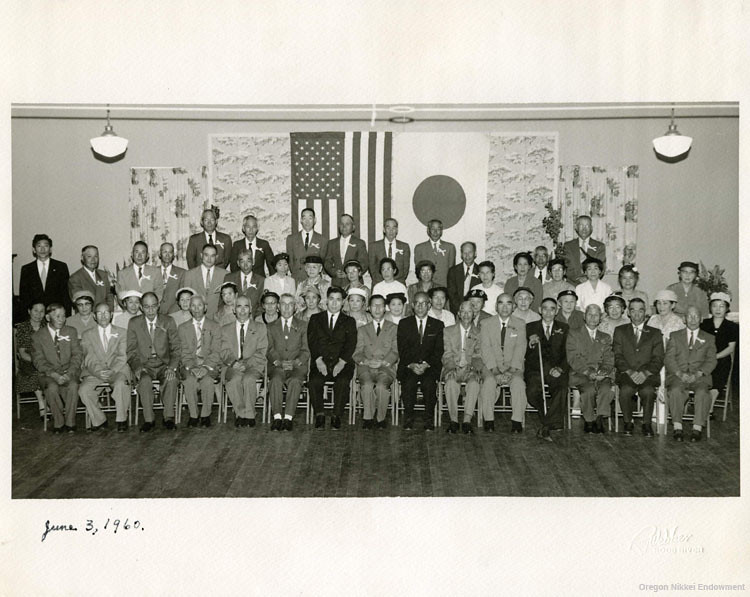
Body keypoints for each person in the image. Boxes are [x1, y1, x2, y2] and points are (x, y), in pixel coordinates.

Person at [209, 295, 268, 427]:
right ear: (234, 310)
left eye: (246, 306)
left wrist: (246, 364)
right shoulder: (225, 329)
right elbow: (223, 351)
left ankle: (250, 414)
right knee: (234, 380)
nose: (242, 310)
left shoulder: (260, 327)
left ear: (251, 309)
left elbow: (262, 351)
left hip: (253, 365)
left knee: (249, 379)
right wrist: (234, 363)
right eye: (239, 306)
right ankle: (241, 413)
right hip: (232, 365)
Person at [126, 292, 180, 432]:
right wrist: (138, 369)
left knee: (171, 379)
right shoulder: (134, 323)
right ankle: (149, 420)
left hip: (164, 364)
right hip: (145, 365)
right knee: (144, 381)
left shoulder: (168, 321)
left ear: (159, 306)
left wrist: (172, 367)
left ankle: (168, 417)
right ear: (141, 308)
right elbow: (131, 351)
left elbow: (176, 349)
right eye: (146, 307)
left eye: (153, 306)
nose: (150, 310)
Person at [307, 287, 358, 429]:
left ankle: (337, 415)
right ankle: (320, 414)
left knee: (342, 381)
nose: (334, 303)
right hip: (320, 361)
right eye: (331, 299)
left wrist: (341, 363)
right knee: (314, 381)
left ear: (343, 303)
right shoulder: (315, 319)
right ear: (326, 300)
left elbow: (351, 344)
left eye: (338, 300)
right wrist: (318, 361)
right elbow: (312, 342)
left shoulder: (349, 321)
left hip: (341, 362)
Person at [613, 297, 664, 437]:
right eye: (633, 310)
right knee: (625, 391)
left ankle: (646, 424)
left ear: (645, 313)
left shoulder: (655, 333)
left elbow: (658, 358)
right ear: (628, 313)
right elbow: (617, 356)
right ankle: (628, 422)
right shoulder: (620, 331)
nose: (636, 314)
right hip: (626, 373)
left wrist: (645, 373)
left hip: (648, 374)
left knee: (647, 391)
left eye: (640, 311)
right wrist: (629, 371)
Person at [665, 306, 717, 442]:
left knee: (702, 393)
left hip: (700, 377)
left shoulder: (709, 338)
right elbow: (669, 358)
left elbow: (712, 360)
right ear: (684, 319)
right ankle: (677, 426)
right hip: (678, 375)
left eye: (696, 316)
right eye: (689, 316)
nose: (693, 319)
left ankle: (697, 428)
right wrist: (679, 373)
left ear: (701, 319)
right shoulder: (675, 336)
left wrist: (698, 374)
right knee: (675, 390)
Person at [78, 302, 130, 432]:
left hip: (117, 369)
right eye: (99, 313)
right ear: (94, 316)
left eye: (106, 312)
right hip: (95, 371)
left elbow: (122, 356)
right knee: (84, 390)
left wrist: (112, 370)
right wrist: (98, 372)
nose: (103, 316)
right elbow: (89, 357)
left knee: (121, 385)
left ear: (111, 315)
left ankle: (122, 419)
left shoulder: (122, 332)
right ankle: (99, 420)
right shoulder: (87, 335)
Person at [479, 293, 527, 433]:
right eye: (501, 303)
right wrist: (495, 371)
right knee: (488, 382)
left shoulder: (520, 324)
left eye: (509, 303)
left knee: (518, 383)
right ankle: (488, 419)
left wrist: (511, 371)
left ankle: (517, 420)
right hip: (492, 366)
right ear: (496, 306)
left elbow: (520, 348)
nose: (505, 307)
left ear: (513, 307)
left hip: (513, 366)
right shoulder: (486, 323)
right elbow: (485, 349)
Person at [397, 291, 444, 430]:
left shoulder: (438, 325)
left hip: (429, 366)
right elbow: (402, 348)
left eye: (424, 303)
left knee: (429, 384)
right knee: (409, 383)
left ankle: (429, 418)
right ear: (412, 305)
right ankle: (409, 417)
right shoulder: (404, 323)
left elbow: (438, 350)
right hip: (409, 365)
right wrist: (411, 364)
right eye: (417, 303)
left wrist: (426, 364)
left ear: (429, 305)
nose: (420, 306)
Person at [32, 303, 83, 432]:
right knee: (52, 388)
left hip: (69, 372)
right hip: (48, 374)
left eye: (64, 316)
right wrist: (54, 374)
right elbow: (38, 361)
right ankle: (59, 422)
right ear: (48, 317)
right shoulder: (38, 336)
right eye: (57, 316)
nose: (62, 319)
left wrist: (69, 373)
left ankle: (70, 422)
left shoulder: (71, 331)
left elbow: (77, 355)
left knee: (73, 386)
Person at [524, 297, 569, 439]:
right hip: (536, 370)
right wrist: (530, 344)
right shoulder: (529, 327)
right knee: (532, 392)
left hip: (557, 370)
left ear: (557, 311)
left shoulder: (564, 328)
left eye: (552, 309)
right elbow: (524, 352)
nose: (548, 312)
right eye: (545, 308)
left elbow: (569, 353)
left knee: (562, 388)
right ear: (539, 310)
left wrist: (560, 369)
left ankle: (545, 424)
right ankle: (550, 421)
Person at [566, 304, 615, 433]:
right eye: (590, 314)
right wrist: (589, 372)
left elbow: (609, 358)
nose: (593, 318)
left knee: (606, 389)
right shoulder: (573, 334)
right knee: (588, 390)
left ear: (600, 318)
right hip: (581, 373)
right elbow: (573, 358)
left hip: (601, 374)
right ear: (584, 316)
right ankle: (588, 420)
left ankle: (599, 418)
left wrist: (603, 372)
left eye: (596, 315)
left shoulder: (605, 337)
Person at [353, 294, 398, 429]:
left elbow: (396, 351)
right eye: (374, 305)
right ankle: (367, 418)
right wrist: (366, 361)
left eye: (380, 305)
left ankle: (381, 418)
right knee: (366, 385)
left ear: (385, 308)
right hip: (366, 366)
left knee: (380, 386)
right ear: (368, 308)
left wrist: (383, 362)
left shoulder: (393, 328)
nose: (377, 309)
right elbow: (357, 353)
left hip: (385, 367)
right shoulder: (362, 329)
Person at [266, 293, 310, 430]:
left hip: (297, 366)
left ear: (295, 307)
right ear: (278, 307)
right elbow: (269, 349)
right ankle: (277, 417)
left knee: (295, 381)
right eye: (283, 304)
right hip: (277, 366)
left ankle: (289, 418)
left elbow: (306, 350)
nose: (286, 307)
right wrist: (278, 362)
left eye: (290, 304)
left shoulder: (304, 326)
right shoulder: (271, 326)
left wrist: (296, 362)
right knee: (275, 380)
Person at [178, 295, 221, 427]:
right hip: (190, 366)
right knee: (189, 381)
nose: (197, 309)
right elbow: (183, 352)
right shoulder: (183, 328)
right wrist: (192, 367)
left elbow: (216, 351)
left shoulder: (215, 326)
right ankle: (193, 415)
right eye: (193, 306)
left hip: (209, 365)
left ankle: (205, 414)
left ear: (205, 307)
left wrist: (206, 367)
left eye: (200, 305)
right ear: (189, 308)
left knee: (207, 381)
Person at [441, 301, 484, 434]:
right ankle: (453, 420)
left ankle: (467, 420)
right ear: (458, 314)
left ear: (474, 314)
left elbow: (479, 355)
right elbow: (446, 353)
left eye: (469, 311)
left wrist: (474, 368)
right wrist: (451, 367)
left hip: (470, 368)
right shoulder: (447, 331)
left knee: (474, 383)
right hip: (452, 366)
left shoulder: (479, 333)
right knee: (451, 383)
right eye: (463, 311)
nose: (466, 315)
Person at [699, 292, 738, 408]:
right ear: (710, 308)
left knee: (718, 375)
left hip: (721, 359)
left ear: (727, 309)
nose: (718, 309)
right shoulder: (704, 324)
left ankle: (708, 408)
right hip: (703, 358)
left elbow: (731, 348)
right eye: (715, 306)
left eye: (721, 306)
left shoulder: (732, 326)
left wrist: (715, 357)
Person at [19, 233, 72, 315]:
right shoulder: (27, 269)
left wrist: (66, 315)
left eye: (46, 246)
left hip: (56, 313)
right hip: (35, 315)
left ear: (50, 249)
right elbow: (24, 297)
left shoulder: (61, 267)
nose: (42, 249)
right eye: (39, 246)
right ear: (34, 249)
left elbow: (66, 295)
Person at [14, 301, 47, 420]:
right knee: (36, 372)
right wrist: (36, 361)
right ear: (29, 311)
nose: (38, 314)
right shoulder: (23, 327)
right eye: (35, 311)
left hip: (46, 359)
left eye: (41, 311)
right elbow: (22, 353)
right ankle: (42, 404)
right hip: (28, 360)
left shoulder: (47, 326)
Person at [179, 244, 228, 320]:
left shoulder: (225, 274)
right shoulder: (189, 274)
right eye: (206, 255)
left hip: (217, 319)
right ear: (201, 255)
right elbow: (186, 298)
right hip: (195, 317)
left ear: (216, 257)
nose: (209, 259)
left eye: (212, 256)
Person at [324, 213, 369, 289]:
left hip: (355, 284)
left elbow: (364, 264)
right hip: (336, 283)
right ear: (339, 226)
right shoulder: (332, 243)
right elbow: (327, 262)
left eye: (347, 224)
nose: (344, 226)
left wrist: (350, 273)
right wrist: (334, 272)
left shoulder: (359, 243)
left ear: (353, 227)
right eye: (342, 224)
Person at [561, 215, 607, 284]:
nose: (584, 229)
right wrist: (577, 279)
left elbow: (601, 268)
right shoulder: (568, 246)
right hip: (572, 284)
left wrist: (587, 278)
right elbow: (566, 266)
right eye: (581, 225)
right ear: (576, 227)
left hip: (592, 284)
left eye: (587, 226)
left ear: (591, 228)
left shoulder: (600, 246)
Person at [286, 207, 329, 282]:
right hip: (297, 279)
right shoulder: (291, 239)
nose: (307, 221)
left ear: (314, 220)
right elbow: (290, 261)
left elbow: (323, 261)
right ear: (301, 220)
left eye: (310, 218)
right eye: (304, 218)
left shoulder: (323, 240)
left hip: (315, 280)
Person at [67, 244, 115, 311]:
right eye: (89, 256)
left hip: (104, 316)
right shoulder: (75, 278)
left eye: (96, 256)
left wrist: (108, 312)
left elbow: (109, 296)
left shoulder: (103, 275)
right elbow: (79, 302)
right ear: (82, 258)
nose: (93, 260)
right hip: (86, 317)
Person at [223, 248, 265, 319]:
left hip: (253, 319)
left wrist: (255, 317)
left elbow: (261, 305)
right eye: (242, 262)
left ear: (253, 261)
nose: (246, 265)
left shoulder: (261, 280)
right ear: (238, 263)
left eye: (248, 261)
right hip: (232, 319)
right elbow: (222, 302)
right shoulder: (229, 278)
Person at [413, 219, 456, 287]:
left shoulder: (450, 247)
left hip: (444, 286)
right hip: (426, 286)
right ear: (428, 231)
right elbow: (419, 271)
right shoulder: (419, 248)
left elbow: (452, 271)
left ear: (441, 231)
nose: (435, 232)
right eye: (433, 229)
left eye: (438, 229)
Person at [368, 218, 410, 285]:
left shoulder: (404, 246)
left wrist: (396, 282)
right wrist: (380, 282)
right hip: (379, 283)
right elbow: (372, 268)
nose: (391, 231)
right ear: (384, 230)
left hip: (398, 284)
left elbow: (405, 269)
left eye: (394, 228)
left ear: (397, 230)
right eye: (388, 228)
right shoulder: (373, 246)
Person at [447, 241, 481, 316]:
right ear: (461, 254)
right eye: (464, 253)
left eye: (470, 252)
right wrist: (462, 310)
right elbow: (452, 294)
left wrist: (471, 310)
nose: (467, 256)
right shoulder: (453, 271)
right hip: (457, 312)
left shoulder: (480, 271)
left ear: (475, 253)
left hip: (475, 312)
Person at [157, 242, 186, 314]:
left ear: (174, 255)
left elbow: (182, 297)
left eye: (170, 252)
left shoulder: (182, 273)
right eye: (164, 252)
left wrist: (172, 312)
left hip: (174, 314)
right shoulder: (152, 272)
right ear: (159, 254)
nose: (167, 255)